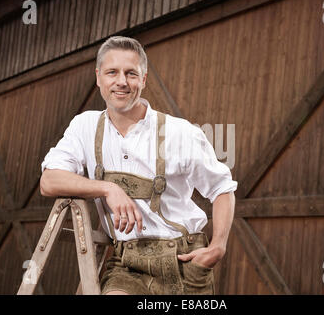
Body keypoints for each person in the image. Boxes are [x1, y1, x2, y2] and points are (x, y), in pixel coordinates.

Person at [40, 36, 237, 295]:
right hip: (126, 264)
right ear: (99, 77)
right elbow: (49, 181)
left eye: (131, 73)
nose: (121, 81)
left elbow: (222, 188)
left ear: (143, 80)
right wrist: (108, 188)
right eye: (112, 72)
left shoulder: (180, 132)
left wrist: (218, 246)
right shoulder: (84, 127)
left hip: (183, 263)